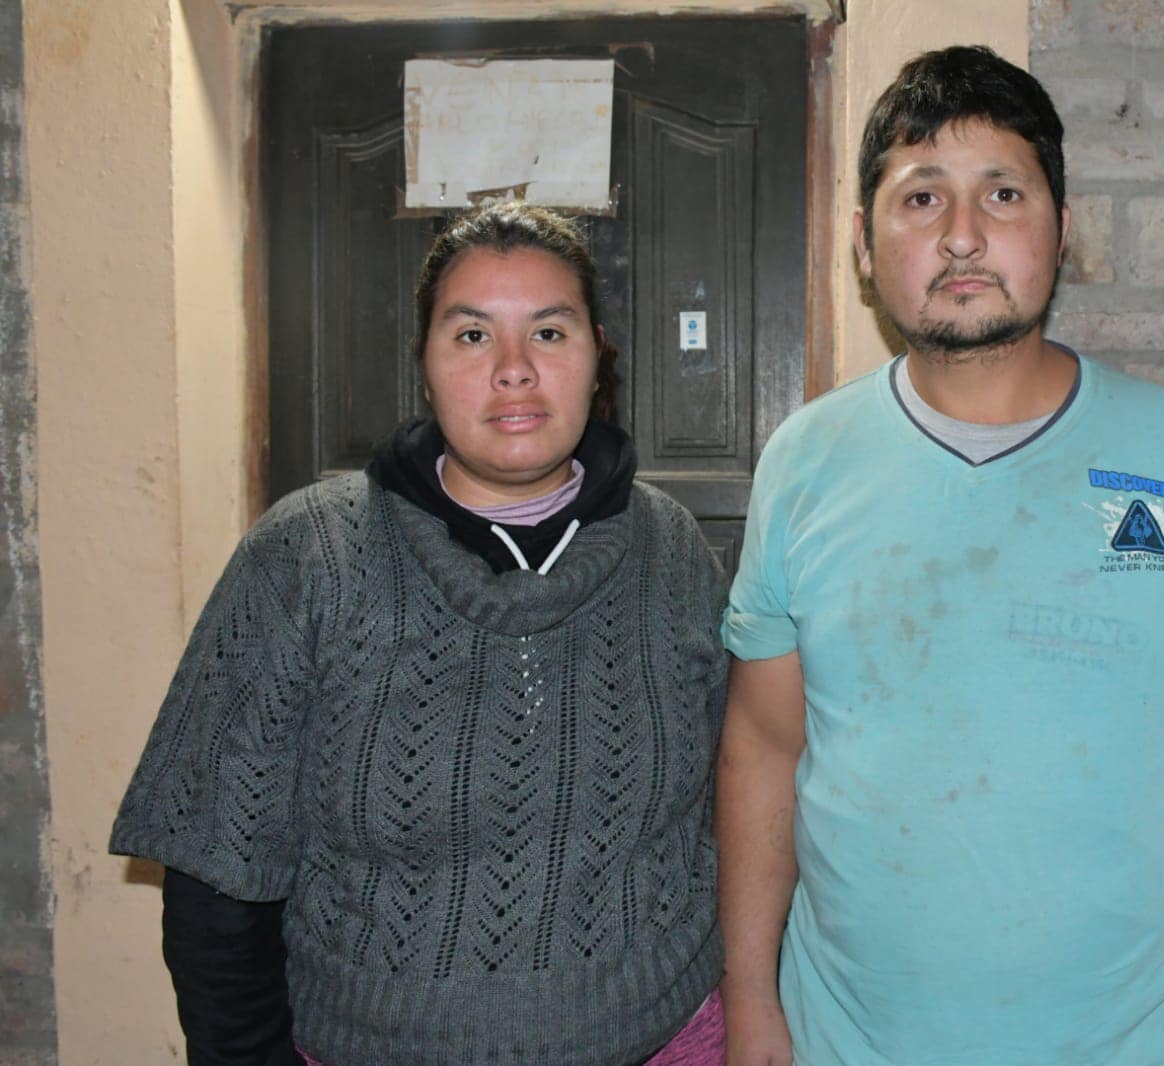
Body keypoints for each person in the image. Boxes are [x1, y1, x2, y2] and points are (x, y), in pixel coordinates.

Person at [716, 46, 1164, 1065]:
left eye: (1003, 193)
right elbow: (765, 745)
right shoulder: (804, 461)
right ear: (863, 243)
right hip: (850, 1042)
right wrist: (750, 995)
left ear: (1061, 230)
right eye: (921, 197)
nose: (962, 235)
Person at [111, 202, 729, 1065]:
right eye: (472, 336)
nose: (513, 370)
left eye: (549, 333)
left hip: (666, 1039)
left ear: (597, 357)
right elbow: (217, 872)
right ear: (425, 367)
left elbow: (737, 807)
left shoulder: (672, 552)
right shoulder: (307, 554)